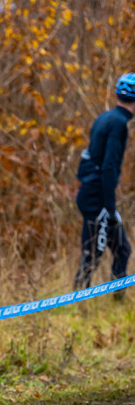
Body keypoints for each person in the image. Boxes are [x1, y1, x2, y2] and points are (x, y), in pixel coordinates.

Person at [74, 73, 134, 297]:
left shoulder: (106, 118)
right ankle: (76, 301)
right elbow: (109, 167)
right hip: (96, 197)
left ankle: (118, 299)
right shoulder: (119, 125)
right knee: (92, 254)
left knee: (122, 250)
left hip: (91, 193)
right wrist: (109, 208)